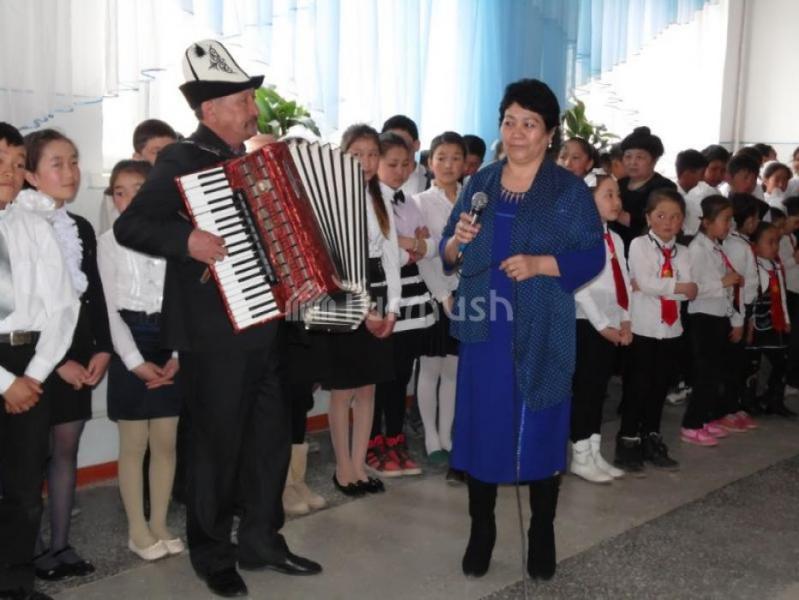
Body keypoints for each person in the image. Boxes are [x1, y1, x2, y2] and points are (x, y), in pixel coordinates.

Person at [113, 39, 321, 598]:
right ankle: (212, 554)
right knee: (214, 448)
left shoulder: (252, 159)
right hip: (213, 335)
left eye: (250, 98)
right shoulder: (181, 160)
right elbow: (131, 226)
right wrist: (188, 240)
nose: (253, 109)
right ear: (210, 109)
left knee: (269, 442)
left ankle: (262, 541)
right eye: (243, 100)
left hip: (266, 325)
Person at [441, 78, 605, 580]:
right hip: (485, 325)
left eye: (529, 124)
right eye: (509, 121)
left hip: (543, 324)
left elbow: (592, 255)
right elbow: (448, 250)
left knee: (540, 425)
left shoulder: (567, 190)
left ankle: (542, 531)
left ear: (549, 133)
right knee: (483, 427)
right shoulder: (481, 182)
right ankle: (482, 530)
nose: (516, 132)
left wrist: (540, 264)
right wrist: (457, 242)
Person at [20, 129, 112, 582]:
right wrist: (57, 362)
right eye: (57, 163)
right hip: (34, 357)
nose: (70, 171)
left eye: (73, 161)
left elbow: (93, 296)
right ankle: (30, 550)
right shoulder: (17, 223)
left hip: (78, 351)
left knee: (66, 449)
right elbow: (26, 307)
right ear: (31, 174)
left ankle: (61, 544)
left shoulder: (80, 227)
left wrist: (102, 349)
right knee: (28, 457)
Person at [0, 122, 79, 600]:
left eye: (16, 164)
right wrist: (3, 382)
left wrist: (31, 374)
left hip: (30, 361)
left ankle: (16, 586)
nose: (8, 173)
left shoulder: (33, 226)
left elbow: (64, 308)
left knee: (25, 489)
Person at [96, 160, 184, 561]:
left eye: (138, 189)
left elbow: (184, 302)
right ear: (112, 198)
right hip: (128, 340)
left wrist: (178, 354)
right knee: (134, 443)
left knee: (166, 439)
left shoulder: (174, 238)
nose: (129, 198)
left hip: (170, 338)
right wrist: (133, 361)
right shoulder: (107, 242)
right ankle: (137, 529)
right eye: (120, 191)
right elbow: (109, 310)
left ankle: (160, 522)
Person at [321, 124, 398, 497]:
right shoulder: (331, 199)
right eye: (357, 155)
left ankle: (359, 464)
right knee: (343, 389)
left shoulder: (380, 195)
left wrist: (392, 307)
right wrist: (363, 309)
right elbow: (332, 263)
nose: (366, 162)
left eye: (372, 155)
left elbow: (391, 254)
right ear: (342, 156)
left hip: (377, 288)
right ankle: (343, 468)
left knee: (368, 387)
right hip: (345, 294)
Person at [368, 132, 434, 478]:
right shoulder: (368, 200)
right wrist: (411, 245)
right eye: (392, 163)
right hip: (383, 294)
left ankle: (395, 439)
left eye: (406, 163)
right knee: (380, 373)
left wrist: (412, 245)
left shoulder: (409, 201)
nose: (400, 170)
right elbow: (385, 251)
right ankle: (373, 442)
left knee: (401, 373)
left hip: (412, 296)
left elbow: (429, 245)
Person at [616, 189, 696, 470]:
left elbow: (689, 291)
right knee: (637, 387)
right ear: (648, 217)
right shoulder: (639, 245)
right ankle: (628, 441)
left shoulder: (684, 252)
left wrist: (656, 287)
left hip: (671, 331)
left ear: (682, 221)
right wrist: (675, 286)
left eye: (675, 217)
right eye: (661, 215)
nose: (668, 222)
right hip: (643, 329)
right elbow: (652, 283)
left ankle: (652, 437)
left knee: (659, 388)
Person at [571, 173, 630, 484]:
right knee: (585, 389)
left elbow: (624, 282)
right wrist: (603, 325)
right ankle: (580, 454)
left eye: (617, 194)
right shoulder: (580, 236)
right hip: (586, 323)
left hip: (610, 325)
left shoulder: (615, 239)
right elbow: (579, 287)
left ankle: (594, 451)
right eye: (608, 195)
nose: (616, 201)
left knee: (599, 390)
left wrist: (626, 319)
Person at [413, 132, 465, 477]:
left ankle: (447, 434)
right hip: (432, 294)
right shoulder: (419, 202)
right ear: (430, 163)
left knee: (453, 369)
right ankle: (431, 437)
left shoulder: (473, 200)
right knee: (430, 367)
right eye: (441, 157)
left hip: (468, 294)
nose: (448, 165)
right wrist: (443, 294)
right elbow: (424, 256)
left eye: (455, 158)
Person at [681, 196, 744, 445]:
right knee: (705, 374)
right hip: (703, 317)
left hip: (718, 315)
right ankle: (691, 424)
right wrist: (723, 282)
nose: (730, 225)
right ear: (707, 222)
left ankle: (706, 418)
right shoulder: (697, 250)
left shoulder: (715, 247)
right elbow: (693, 288)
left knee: (715, 372)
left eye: (731, 220)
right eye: (725, 220)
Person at [745, 222, 795, 417]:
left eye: (777, 242)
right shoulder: (753, 267)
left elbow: (782, 297)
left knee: (781, 361)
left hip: (775, 323)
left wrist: (786, 319)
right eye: (770, 242)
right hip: (757, 325)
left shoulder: (776, 266)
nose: (775, 247)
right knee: (753, 365)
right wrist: (749, 324)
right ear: (755, 245)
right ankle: (749, 401)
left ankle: (774, 400)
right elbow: (750, 299)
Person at [99, 119, 179, 234]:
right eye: (158, 152)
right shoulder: (116, 196)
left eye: (172, 152)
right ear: (138, 158)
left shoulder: (184, 184)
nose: (168, 159)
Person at [722, 193, 761, 423]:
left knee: (738, 362)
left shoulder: (740, 243)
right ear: (746, 220)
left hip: (743, 307)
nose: (756, 223)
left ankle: (733, 405)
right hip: (737, 309)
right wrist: (741, 317)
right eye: (755, 218)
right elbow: (738, 286)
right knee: (732, 362)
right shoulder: (737, 245)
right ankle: (727, 408)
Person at [613, 127, 676, 251]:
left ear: (654, 160)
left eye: (640, 157)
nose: (632, 162)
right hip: (615, 248)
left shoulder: (664, 187)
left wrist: (618, 214)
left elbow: (658, 222)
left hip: (649, 251)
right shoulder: (619, 184)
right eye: (628, 156)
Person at [381, 115, 429, 195]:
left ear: (416, 145)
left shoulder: (434, 181)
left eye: (403, 143)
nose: (397, 149)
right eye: (392, 143)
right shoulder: (367, 182)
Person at [675, 149, 713, 238]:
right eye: (702, 174)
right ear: (687, 173)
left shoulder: (703, 195)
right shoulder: (671, 197)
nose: (704, 178)